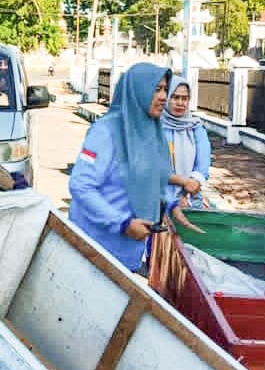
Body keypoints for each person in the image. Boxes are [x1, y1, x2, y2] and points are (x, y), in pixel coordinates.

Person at [69, 62, 183, 273]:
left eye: (165, 89)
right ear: (137, 91)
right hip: (93, 254)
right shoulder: (106, 131)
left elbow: (154, 176)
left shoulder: (151, 130)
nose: (163, 96)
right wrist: (122, 223)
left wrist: (170, 203)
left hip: (127, 257)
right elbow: (81, 186)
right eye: (156, 89)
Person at [161, 75, 212, 208]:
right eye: (175, 97)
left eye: (185, 98)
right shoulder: (155, 127)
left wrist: (192, 185)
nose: (180, 103)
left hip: (190, 196)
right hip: (159, 198)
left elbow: (203, 163)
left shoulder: (196, 127)